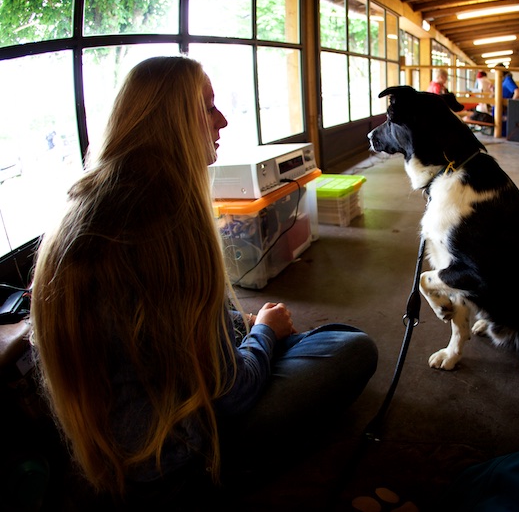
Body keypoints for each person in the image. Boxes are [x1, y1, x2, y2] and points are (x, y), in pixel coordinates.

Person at [30, 56, 378, 505]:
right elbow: (231, 393)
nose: (223, 120)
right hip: (174, 460)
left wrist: (238, 327)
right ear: (172, 119)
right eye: (208, 107)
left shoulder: (87, 200)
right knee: (348, 345)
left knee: (275, 333)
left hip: (112, 445)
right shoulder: (166, 219)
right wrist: (264, 334)